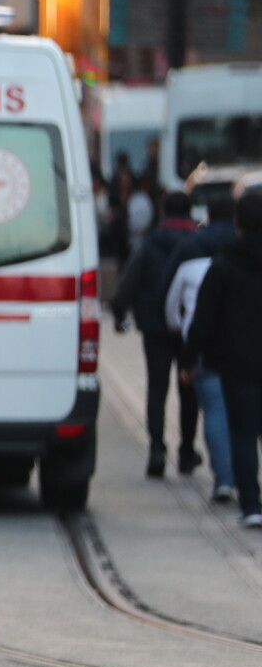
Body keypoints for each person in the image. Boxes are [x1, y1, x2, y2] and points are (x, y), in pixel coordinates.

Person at [184, 189, 262, 529]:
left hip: (237, 364)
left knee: (243, 433)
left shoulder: (224, 264)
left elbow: (204, 318)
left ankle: (251, 503)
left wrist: (189, 360)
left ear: (238, 224)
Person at [112, 190, 199, 477]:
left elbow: (129, 280)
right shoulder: (197, 242)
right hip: (189, 327)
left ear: (164, 212)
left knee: (157, 388)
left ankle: (157, 449)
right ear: (189, 212)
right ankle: (186, 451)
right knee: (189, 389)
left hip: (154, 326)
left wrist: (120, 311)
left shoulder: (149, 243)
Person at [166, 193, 239, 502]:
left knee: (215, 411)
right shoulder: (244, 253)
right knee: (245, 417)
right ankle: (246, 482)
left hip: (209, 349)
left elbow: (181, 312)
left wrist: (187, 355)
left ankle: (225, 478)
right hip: (248, 349)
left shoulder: (193, 256)